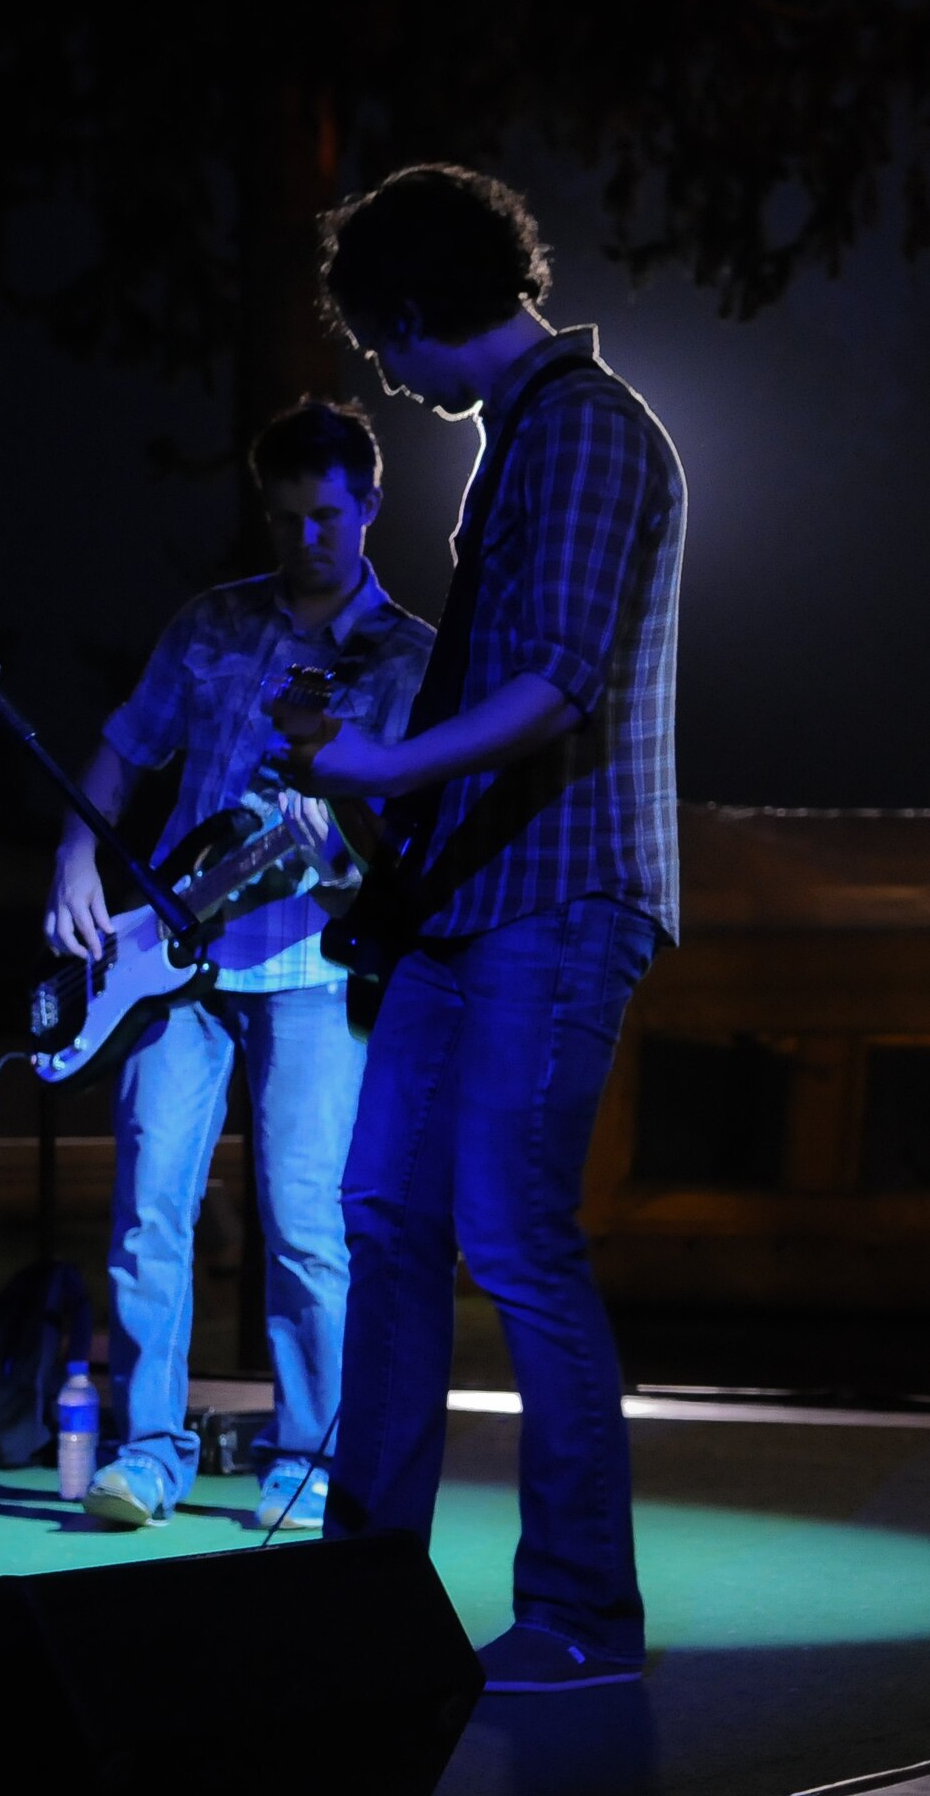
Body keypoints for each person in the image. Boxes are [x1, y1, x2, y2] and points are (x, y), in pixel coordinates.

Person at [273, 162, 685, 1689]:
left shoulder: (582, 429)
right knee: (384, 1218)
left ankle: (582, 1615)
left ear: (412, 308)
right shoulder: (522, 437)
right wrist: (370, 786)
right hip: (471, 903)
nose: (382, 373)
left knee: (514, 1237)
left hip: (559, 895)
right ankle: (362, 1588)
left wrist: (378, 767)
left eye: (378, 340)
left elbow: (559, 682)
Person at [44, 399, 434, 1530]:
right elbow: (126, 745)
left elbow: (413, 829)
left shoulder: (409, 657)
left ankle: (307, 1461)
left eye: (326, 516)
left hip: (312, 966)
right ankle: (146, 1455)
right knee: (145, 1214)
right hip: (171, 963)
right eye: (284, 516)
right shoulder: (211, 622)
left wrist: (348, 838)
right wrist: (75, 850)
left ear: (369, 505)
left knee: (306, 1225)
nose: (305, 538)